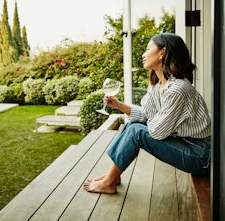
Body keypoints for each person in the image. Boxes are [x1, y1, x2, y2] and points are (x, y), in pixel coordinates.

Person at [84, 33, 211, 194]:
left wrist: (151, 120)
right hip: (183, 143)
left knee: (136, 131)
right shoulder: (157, 85)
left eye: (148, 49)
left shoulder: (177, 89)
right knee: (133, 125)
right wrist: (118, 105)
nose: (143, 54)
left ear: (162, 53)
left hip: (200, 156)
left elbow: (157, 132)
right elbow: (146, 114)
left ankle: (109, 181)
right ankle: (113, 176)